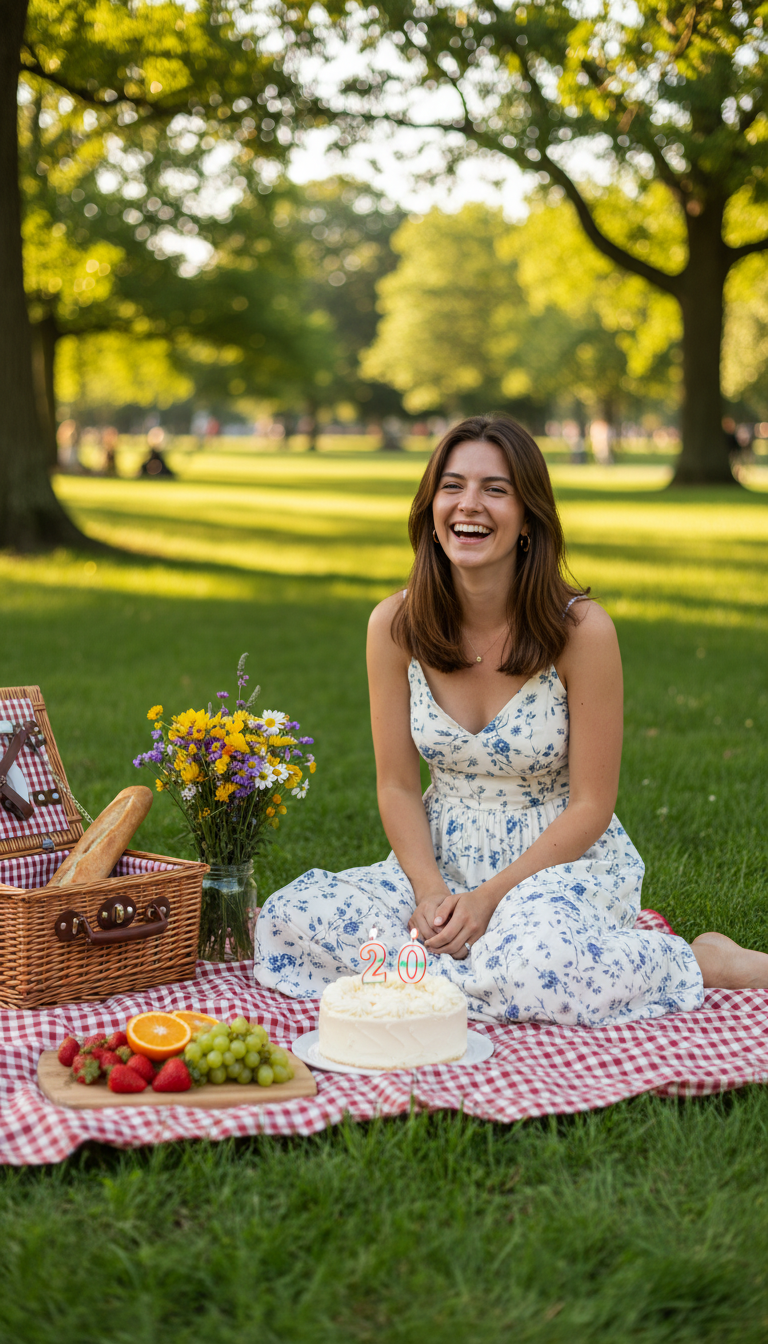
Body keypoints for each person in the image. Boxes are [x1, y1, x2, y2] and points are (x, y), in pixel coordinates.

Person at [255, 414, 768, 1025]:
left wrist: (489, 901)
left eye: (495, 489)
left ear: (529, 517)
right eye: (452, 485)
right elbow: (396, 785)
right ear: (430, 507)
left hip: (555, 861)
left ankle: (698, 960)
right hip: (440, 856)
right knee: (290, 920)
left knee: (535, 966)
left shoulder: (582, 631)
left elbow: (592, 806)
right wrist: (430, 895)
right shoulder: (394, 625)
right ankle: (474, 972)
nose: (469, 504)